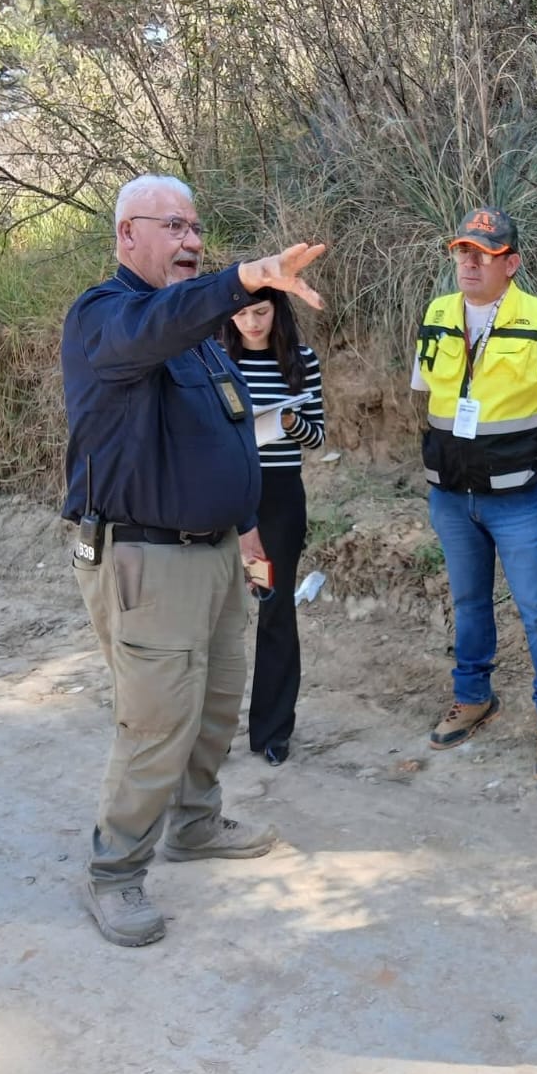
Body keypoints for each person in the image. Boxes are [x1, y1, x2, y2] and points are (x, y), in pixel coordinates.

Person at [62, 172, 325, 947]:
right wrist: (243, 278)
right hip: (147, 558)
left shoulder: (197, 344)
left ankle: (196, 823)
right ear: (126, 236)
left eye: (196, 227)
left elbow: (231, 433)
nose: (191, 240)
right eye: (171, 226)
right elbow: (157, 325)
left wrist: (246, 530)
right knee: (156, 721)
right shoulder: (105, 319)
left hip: (216, 553)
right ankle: (114, 874)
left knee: (214, 704)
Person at [412, 207, 537, 780]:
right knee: (467, 602)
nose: (469, 262)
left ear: (510, 263)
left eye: (484, 253)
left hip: (517, 499)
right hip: (450, 495)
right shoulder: (439, 314)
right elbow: (424, 396)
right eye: (463, 251)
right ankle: (473, 697)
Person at [224, 288, 326, 767]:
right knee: (219, 611)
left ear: (277, 310)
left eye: (261, 312)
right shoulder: (218, 360)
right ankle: (210, 731)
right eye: (242, 314)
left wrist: (289, 420)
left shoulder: (301, 360)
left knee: (273, 606)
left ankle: (272, 730)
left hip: (279, 503)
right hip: (227, 498)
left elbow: (318, 434)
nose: (252, 323)